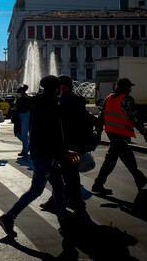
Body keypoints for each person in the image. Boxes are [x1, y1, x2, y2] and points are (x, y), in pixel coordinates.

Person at [0, 76, 69, 238]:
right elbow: (53, 131)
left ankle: (64, 221)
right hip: (46, 154)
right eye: (58, 88)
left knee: (58, 186)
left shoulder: (38, 101)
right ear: (55, 88)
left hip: (42, 151)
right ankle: (9, 217)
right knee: (36, 190)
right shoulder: (50, 103)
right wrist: (62, 151)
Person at [40, 75, 96, 214]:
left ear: (64, 87)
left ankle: (72, 203)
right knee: (67, 176)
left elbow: (65, 124)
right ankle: (68, 202)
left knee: (68, 176)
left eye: (58, 87)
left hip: (70, 146)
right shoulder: (70, 100)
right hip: (68, 146)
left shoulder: (69, 102)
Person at [92, 78, 147, 195]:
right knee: (127, 156)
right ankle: (139, 179)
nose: (130, 89)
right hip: (119, 132)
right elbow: (134, 117)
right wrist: (143, 132)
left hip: (111, 132)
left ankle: (98, 184)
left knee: (111, 159)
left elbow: (101, 115)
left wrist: (99, 131)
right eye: (129, 86)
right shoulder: (127, 99)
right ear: (125, 87)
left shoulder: (109, 97)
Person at [13, 84, 31, 157]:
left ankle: (25, 151)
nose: (17, 93)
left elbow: (28, 107)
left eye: (18, 92)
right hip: (19, 116)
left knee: (24, 134)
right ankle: (28, 145)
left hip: (25, 115)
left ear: (22, 92)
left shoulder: (26, 98)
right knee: (17, 133)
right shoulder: (19, 99)